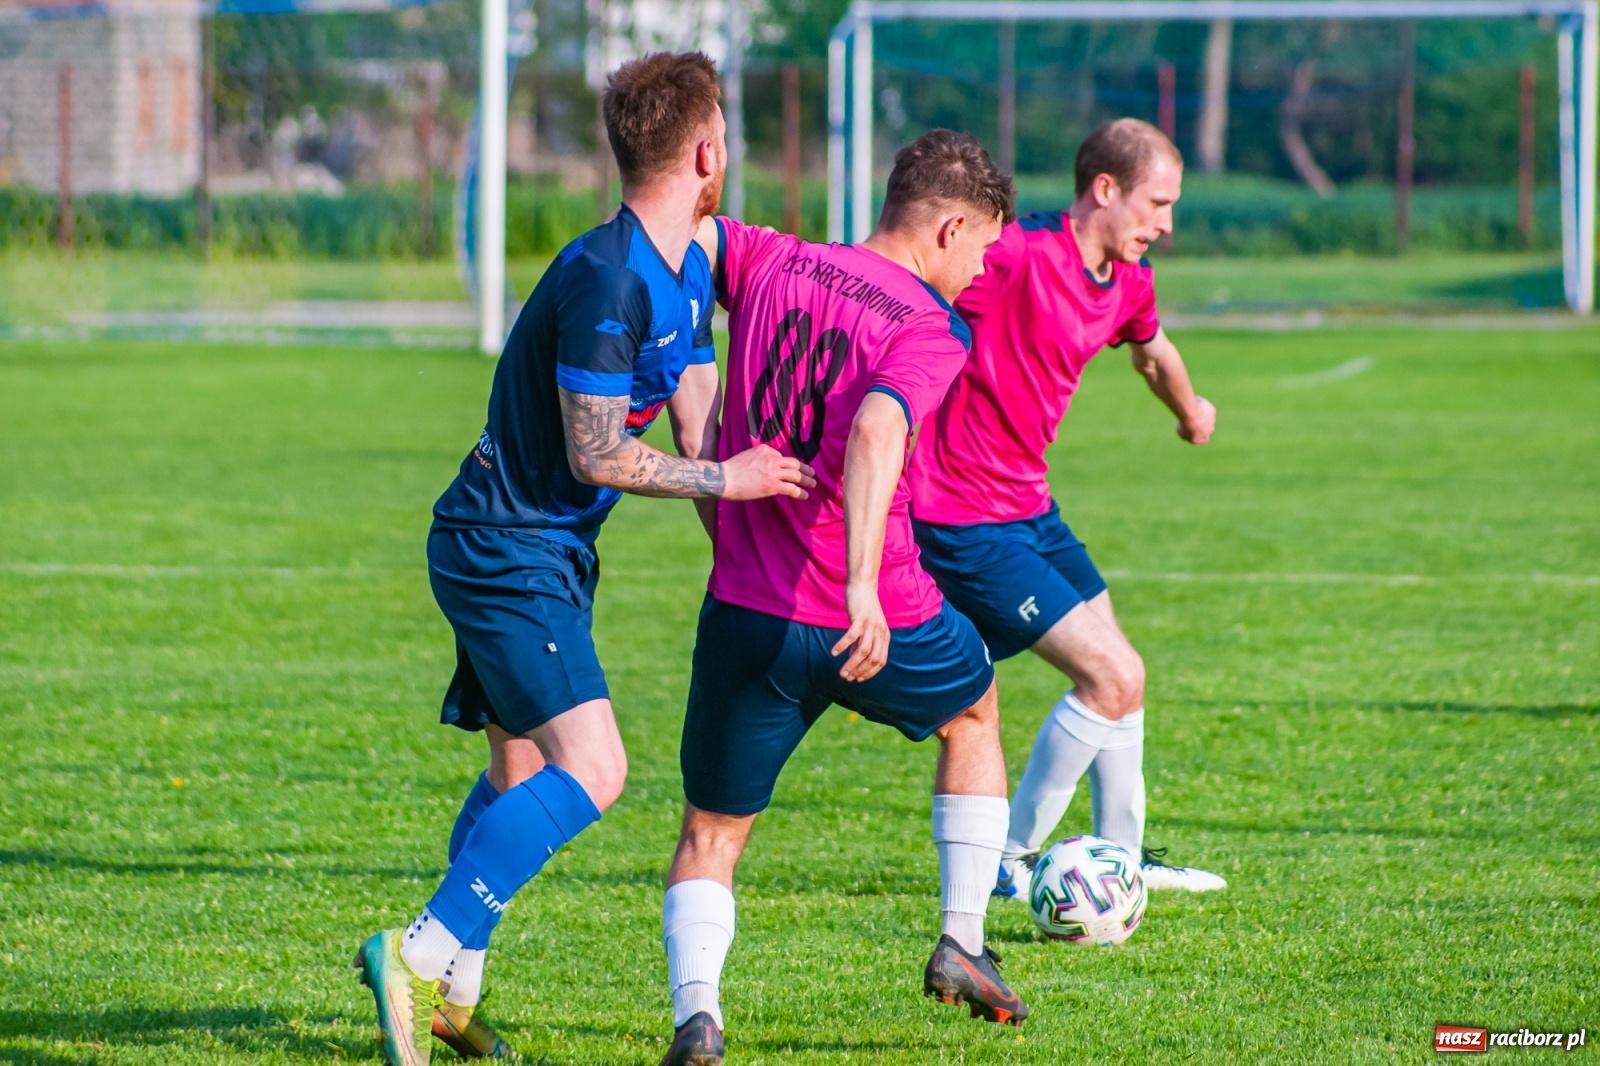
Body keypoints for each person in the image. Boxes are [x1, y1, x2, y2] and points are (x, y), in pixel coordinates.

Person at [353, 52, 815, 1066]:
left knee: (517, 768)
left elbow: (698, 426)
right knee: (595, 768)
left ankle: (453, 994)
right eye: (727, 134)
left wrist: (751, 574)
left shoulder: (687, 267)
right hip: (505, 548)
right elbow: (597, 452)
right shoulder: (610, 278)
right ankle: (414, 952)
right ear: (707, 152)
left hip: (540, 549)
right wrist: (731, 479)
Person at [653, 130, 1024, 1066]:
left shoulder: (769, 257)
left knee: (710, 833)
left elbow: (683, 231)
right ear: (949, 228)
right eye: (981, 248)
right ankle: (962, 941)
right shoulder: (931, 326)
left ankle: (699, 1017)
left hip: (746, 608)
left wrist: (688, 360)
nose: (980, 271)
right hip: (874, 612)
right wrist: (861, 586)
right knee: (975, 711)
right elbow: (874, 428)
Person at [907, 118, 1227, 900]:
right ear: (1105, 189)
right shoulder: (1016, 255)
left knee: (1123, 677)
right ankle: (1008, 862)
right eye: (1158, 203)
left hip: (1029, 504)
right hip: (961, 514)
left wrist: (1190, 411)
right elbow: (909, 281)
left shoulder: (1129, 280)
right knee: (1112, 675)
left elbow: (1153, 352)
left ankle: (1123, 861)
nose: (1167, 224)